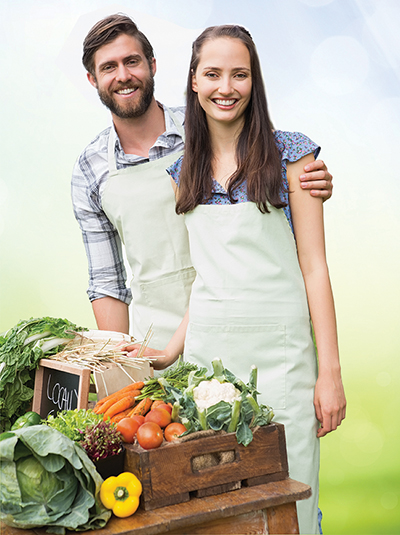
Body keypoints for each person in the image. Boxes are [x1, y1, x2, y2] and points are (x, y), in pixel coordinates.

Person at [129, 25, 346, 535]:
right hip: (211, 366)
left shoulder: (294, 157)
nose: (226, 87)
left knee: (289, 499)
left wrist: (330, 372)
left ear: (255, 81)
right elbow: (207, 277)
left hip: (285, 361)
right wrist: (168, 353)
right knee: (219, 506)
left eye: (239, 74)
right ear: (194, 81)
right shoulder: (182, 170)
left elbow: (315, 268)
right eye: (213, 73)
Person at [72, 14, 334, 350]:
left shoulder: (210, 121)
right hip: (155, 341)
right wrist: (121, 365)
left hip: (242, 325)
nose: (124, 76)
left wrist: (313, 182)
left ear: (152, 65)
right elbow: (107, 281)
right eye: (109, 67)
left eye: (132, 61)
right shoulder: (90, 171)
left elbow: (274, 165)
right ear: (93, 79)